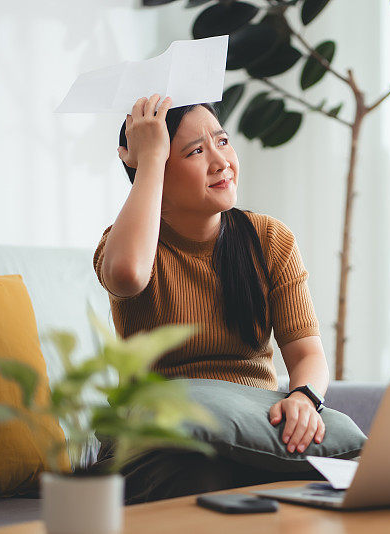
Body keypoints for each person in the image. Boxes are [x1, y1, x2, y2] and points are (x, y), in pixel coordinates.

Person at [91, 93, 329, 503]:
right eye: (195, 151)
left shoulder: (270, 240)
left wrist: (303, 398)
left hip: (250, 427)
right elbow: (127, 276)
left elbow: (307, 353)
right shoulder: (127, 245)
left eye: (222, 141)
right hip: (159, 440)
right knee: (204, 472)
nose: (221, 162)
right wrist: (149, 159)